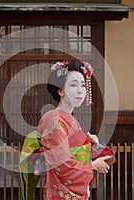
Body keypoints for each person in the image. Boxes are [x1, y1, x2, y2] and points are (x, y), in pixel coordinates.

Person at [20, 60, 115, 200]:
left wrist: (89, 143)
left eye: (83, 85)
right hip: (62, 191)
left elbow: (75, 149)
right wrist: (93, 165)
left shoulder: (68, 118)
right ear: (60, 91)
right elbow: (62, 164)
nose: (80, 91)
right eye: (73, 85)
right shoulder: (54, 120)